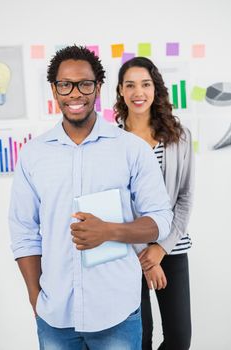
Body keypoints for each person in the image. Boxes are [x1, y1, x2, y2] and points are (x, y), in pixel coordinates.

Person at [9, 45, 173, 350]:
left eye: (85, 84)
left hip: (117, 314)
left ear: (98, 87)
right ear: (54, 90)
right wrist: (36, 297)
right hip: (55, 317)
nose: (75, 93)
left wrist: (110, 231)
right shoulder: (33, 154)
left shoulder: (131, 149)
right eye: (65, 84)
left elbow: (161, 220)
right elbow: (23, 232)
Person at [114, 57, 195, 350]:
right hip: (127, 253)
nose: (139, 92)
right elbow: (116, 204)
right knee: (139, 339)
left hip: (171, 248)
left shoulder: (179, 136)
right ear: (121, 91)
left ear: (155, 89)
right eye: (130, 85)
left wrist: (161, 249)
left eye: (145, 84)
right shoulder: (111, 141)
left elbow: (185, 197)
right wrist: (145, 256)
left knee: (178, 338)